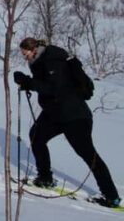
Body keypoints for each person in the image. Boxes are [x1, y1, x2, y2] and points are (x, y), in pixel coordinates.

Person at [14, 37, 120, 208]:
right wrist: (27, 83)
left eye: (25, 54)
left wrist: (29, 83)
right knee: (36, 136)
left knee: (88, 154)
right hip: (55, 113)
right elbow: (46, 86)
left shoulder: (53, 60)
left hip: (74, 115)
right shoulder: (40, 61)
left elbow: (55, 88)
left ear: (34, 49)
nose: (24, 57)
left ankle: (111, 196)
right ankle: (45, 178)